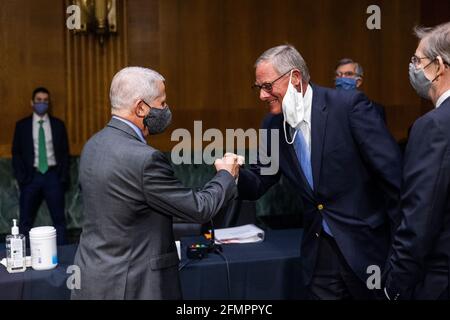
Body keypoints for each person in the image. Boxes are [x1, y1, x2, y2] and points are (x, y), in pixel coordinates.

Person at [233, 45, 402, 299]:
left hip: (368, 250)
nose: (262, 96)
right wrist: (232, 174)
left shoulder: (348, 107)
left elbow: (394, 179)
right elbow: (258, 181)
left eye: (267, 86)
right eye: (259, 88)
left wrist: (401, 254)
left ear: (295, 78)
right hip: (319, 254)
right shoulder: (272, 125)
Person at [71, 67, 239, 300]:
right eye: (162, 103)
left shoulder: (92, 145)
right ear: (141, 108)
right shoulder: (144, 159)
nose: (166, 110)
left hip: (92, 279)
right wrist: (226, 175)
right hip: (134, 286)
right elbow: (200, 209)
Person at [384, 22, 450, 300]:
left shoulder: (433, 126)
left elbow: (419, 215)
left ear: (438, 65)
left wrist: (394, 284)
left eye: (417, 60)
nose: (412, 68)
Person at [12, 87, 69, 245]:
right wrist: (22, 177)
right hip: (31, 178)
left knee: (59, 221)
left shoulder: (58, 125)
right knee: (25, 222)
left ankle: (63, 257)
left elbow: (65, 153)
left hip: (53, 177)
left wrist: (62, 177)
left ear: (49, 103)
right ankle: (23, 257)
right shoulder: (21, 126)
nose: (42, 103)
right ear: (32, 102)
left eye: (45, 101)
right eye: (39, 100)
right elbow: (16, 153)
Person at [335, 58, 386, 122]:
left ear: (358, 82)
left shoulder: (375, 109)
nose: (342, 78)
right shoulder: (324, 106)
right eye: (338, 75)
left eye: (348, 74)